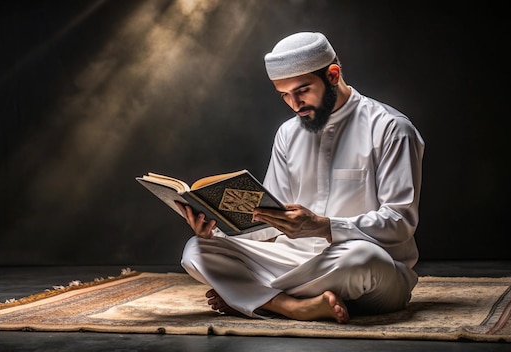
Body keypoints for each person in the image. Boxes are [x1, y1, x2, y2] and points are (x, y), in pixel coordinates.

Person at [176, 31, 424, 323]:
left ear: (333, 74)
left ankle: (252, 297)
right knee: (197, 250)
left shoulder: (391, 129)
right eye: (284, 95)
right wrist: (214, 229)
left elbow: (400, 223)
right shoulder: (287, 133)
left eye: (302, 90)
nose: (294, 104)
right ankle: (290, 306)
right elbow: (268, 221)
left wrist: (323, 226)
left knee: (361, 258)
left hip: (369, 271)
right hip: (294, 261)